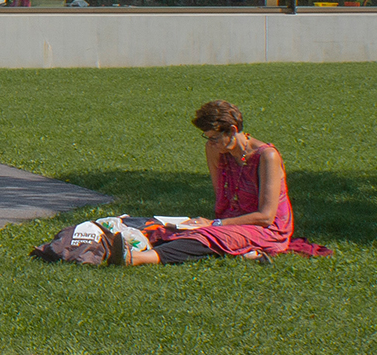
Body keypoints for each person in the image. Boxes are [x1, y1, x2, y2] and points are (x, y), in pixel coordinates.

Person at [110, 99, 297, 265]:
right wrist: (208, 223)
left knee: (205, 236)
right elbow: (222, 200)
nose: (211, 143)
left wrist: (215, 224)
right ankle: (245, 253)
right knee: (174, 228)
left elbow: (265, 217)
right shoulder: (215, 149)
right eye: (207, 137)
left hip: (265, 229)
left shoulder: (266, 156)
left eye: (214, 137)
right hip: (230, 222)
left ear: (232, 130)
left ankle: (137, 258)